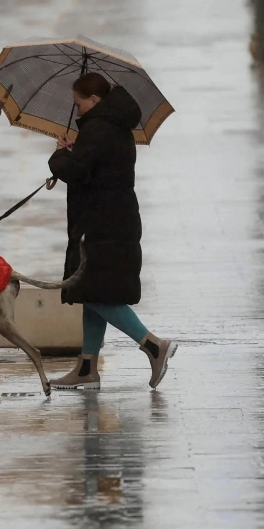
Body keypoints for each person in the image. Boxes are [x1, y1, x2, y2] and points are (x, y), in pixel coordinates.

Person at [46, 72, 175, 389]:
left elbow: (76, 171)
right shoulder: (112, 125)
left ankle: (153, 345)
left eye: (79, 103)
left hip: (101, 223)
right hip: (113, 220)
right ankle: (86, 368)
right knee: (93, 292)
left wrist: (60, 155)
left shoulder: (98, 128)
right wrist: (76, 150)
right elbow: (94, 166)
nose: (76, 110)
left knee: (92, 291)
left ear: (94, 100)